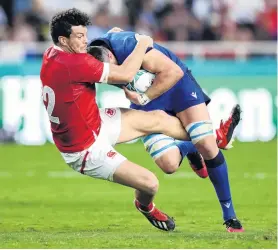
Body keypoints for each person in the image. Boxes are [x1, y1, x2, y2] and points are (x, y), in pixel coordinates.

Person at [40, 8, 207, 232]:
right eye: (79, 37)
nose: (86, 41)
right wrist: (142, 42)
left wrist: (112, 36)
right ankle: (145, 206)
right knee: (150, 183)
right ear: (63, 39)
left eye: (85, 34)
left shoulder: (52, 54)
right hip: (85, 149)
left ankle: (211, 140)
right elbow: (126, 74)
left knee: (158, 118)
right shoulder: (76, 64)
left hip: (94, 122)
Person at [88, 30, 244, 232]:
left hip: (177, 85)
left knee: (207, 145)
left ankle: (230, 217)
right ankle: (193, 146)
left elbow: (174, 72)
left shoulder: (129, 48)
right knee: (169, 164)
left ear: (110, 56)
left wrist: (143, 98)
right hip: (147, 99)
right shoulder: (94, 58)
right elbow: (113, 32)